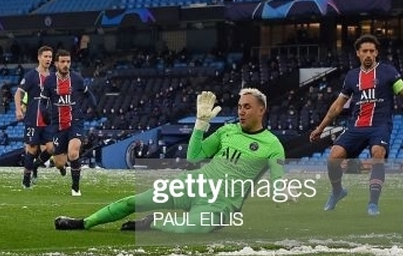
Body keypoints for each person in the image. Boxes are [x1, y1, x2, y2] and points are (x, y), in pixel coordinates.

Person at [55, 88, 284, 232]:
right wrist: (200, 125)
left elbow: (277, 177)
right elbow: (194, 156)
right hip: (193, 184)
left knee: (189, 230)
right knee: (131, 202)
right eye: (240, 107)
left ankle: (151, 223)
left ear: (261, 110)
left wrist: (282, 191)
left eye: (247, 107)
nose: (241, 111)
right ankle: (83, 222)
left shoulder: (272, 145)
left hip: (220, 205)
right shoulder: (228, 131)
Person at [309, 34, 403, 216]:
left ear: (377, 53)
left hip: (380, 126)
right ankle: (337, 191)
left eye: (372, 51)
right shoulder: (352, 76)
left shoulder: (388, 71)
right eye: (364, 51)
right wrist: (321, 128)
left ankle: (373, 204)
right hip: (356, 126)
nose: (368, 54)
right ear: (358, 54)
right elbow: (337, 106)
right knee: (333, 157)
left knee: (378, 153)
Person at [46, 49, 98, 196]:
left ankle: (75, 186)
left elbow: (88, 93)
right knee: (59, 163)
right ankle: (61, 167)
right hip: (58, 124)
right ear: (56, 63)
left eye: (68, 61)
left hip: (75, 121)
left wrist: (94, 107)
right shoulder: (49, 81)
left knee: (73, 152)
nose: (66, 64)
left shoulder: (77, 79)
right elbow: (43, 101)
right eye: (62, 61)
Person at [15, 45, 54, 188]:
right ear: (39, 57)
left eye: (50, 57)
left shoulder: (53, 76)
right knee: (32, 148)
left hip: (48, 118)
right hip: (33, 117)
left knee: (51, 148)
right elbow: (18, 93)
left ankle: (36, 165)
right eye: (46, 56)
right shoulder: (31, 75)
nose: (48, 59)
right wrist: (19, 110)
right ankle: (26, 177)